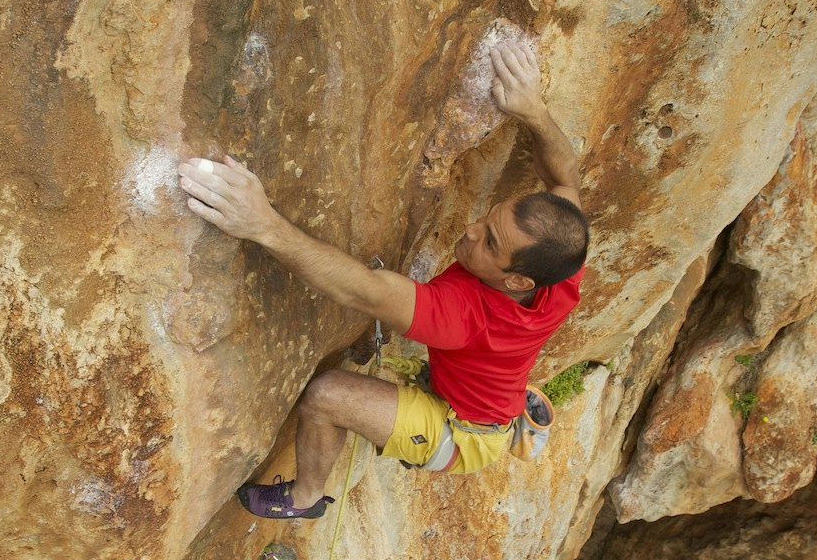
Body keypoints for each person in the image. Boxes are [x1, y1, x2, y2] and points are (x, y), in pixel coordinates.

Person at [178, 38, 588, 520]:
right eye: (489, 217)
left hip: (461, 437)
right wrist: (534, 111)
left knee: (328, 396)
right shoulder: (559, 265)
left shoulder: (463, 318)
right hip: (485, 395)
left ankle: (306, 498)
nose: (472, 230)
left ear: (519, 282)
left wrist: (263, 224)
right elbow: (567, 182)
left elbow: (363, 289)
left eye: (490, 243)